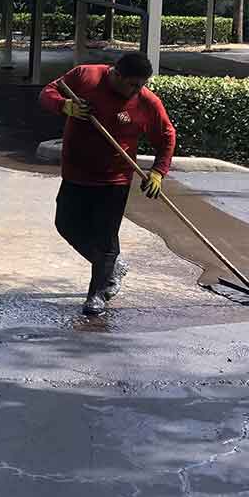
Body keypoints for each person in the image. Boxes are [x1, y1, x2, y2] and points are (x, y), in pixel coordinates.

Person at [39, 51, 176, 317]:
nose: (138, 90)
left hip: (115, 179)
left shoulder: (147, 102)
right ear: (116, 74)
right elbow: (48, 92)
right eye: (133, 84)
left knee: (105, 237)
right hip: (76, 173)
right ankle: (113, 265)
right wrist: (65, 106)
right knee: (66, 225)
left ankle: (97, 294)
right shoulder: (85, 76)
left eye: (142, 84)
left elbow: (167, 135)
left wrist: (158, 172)